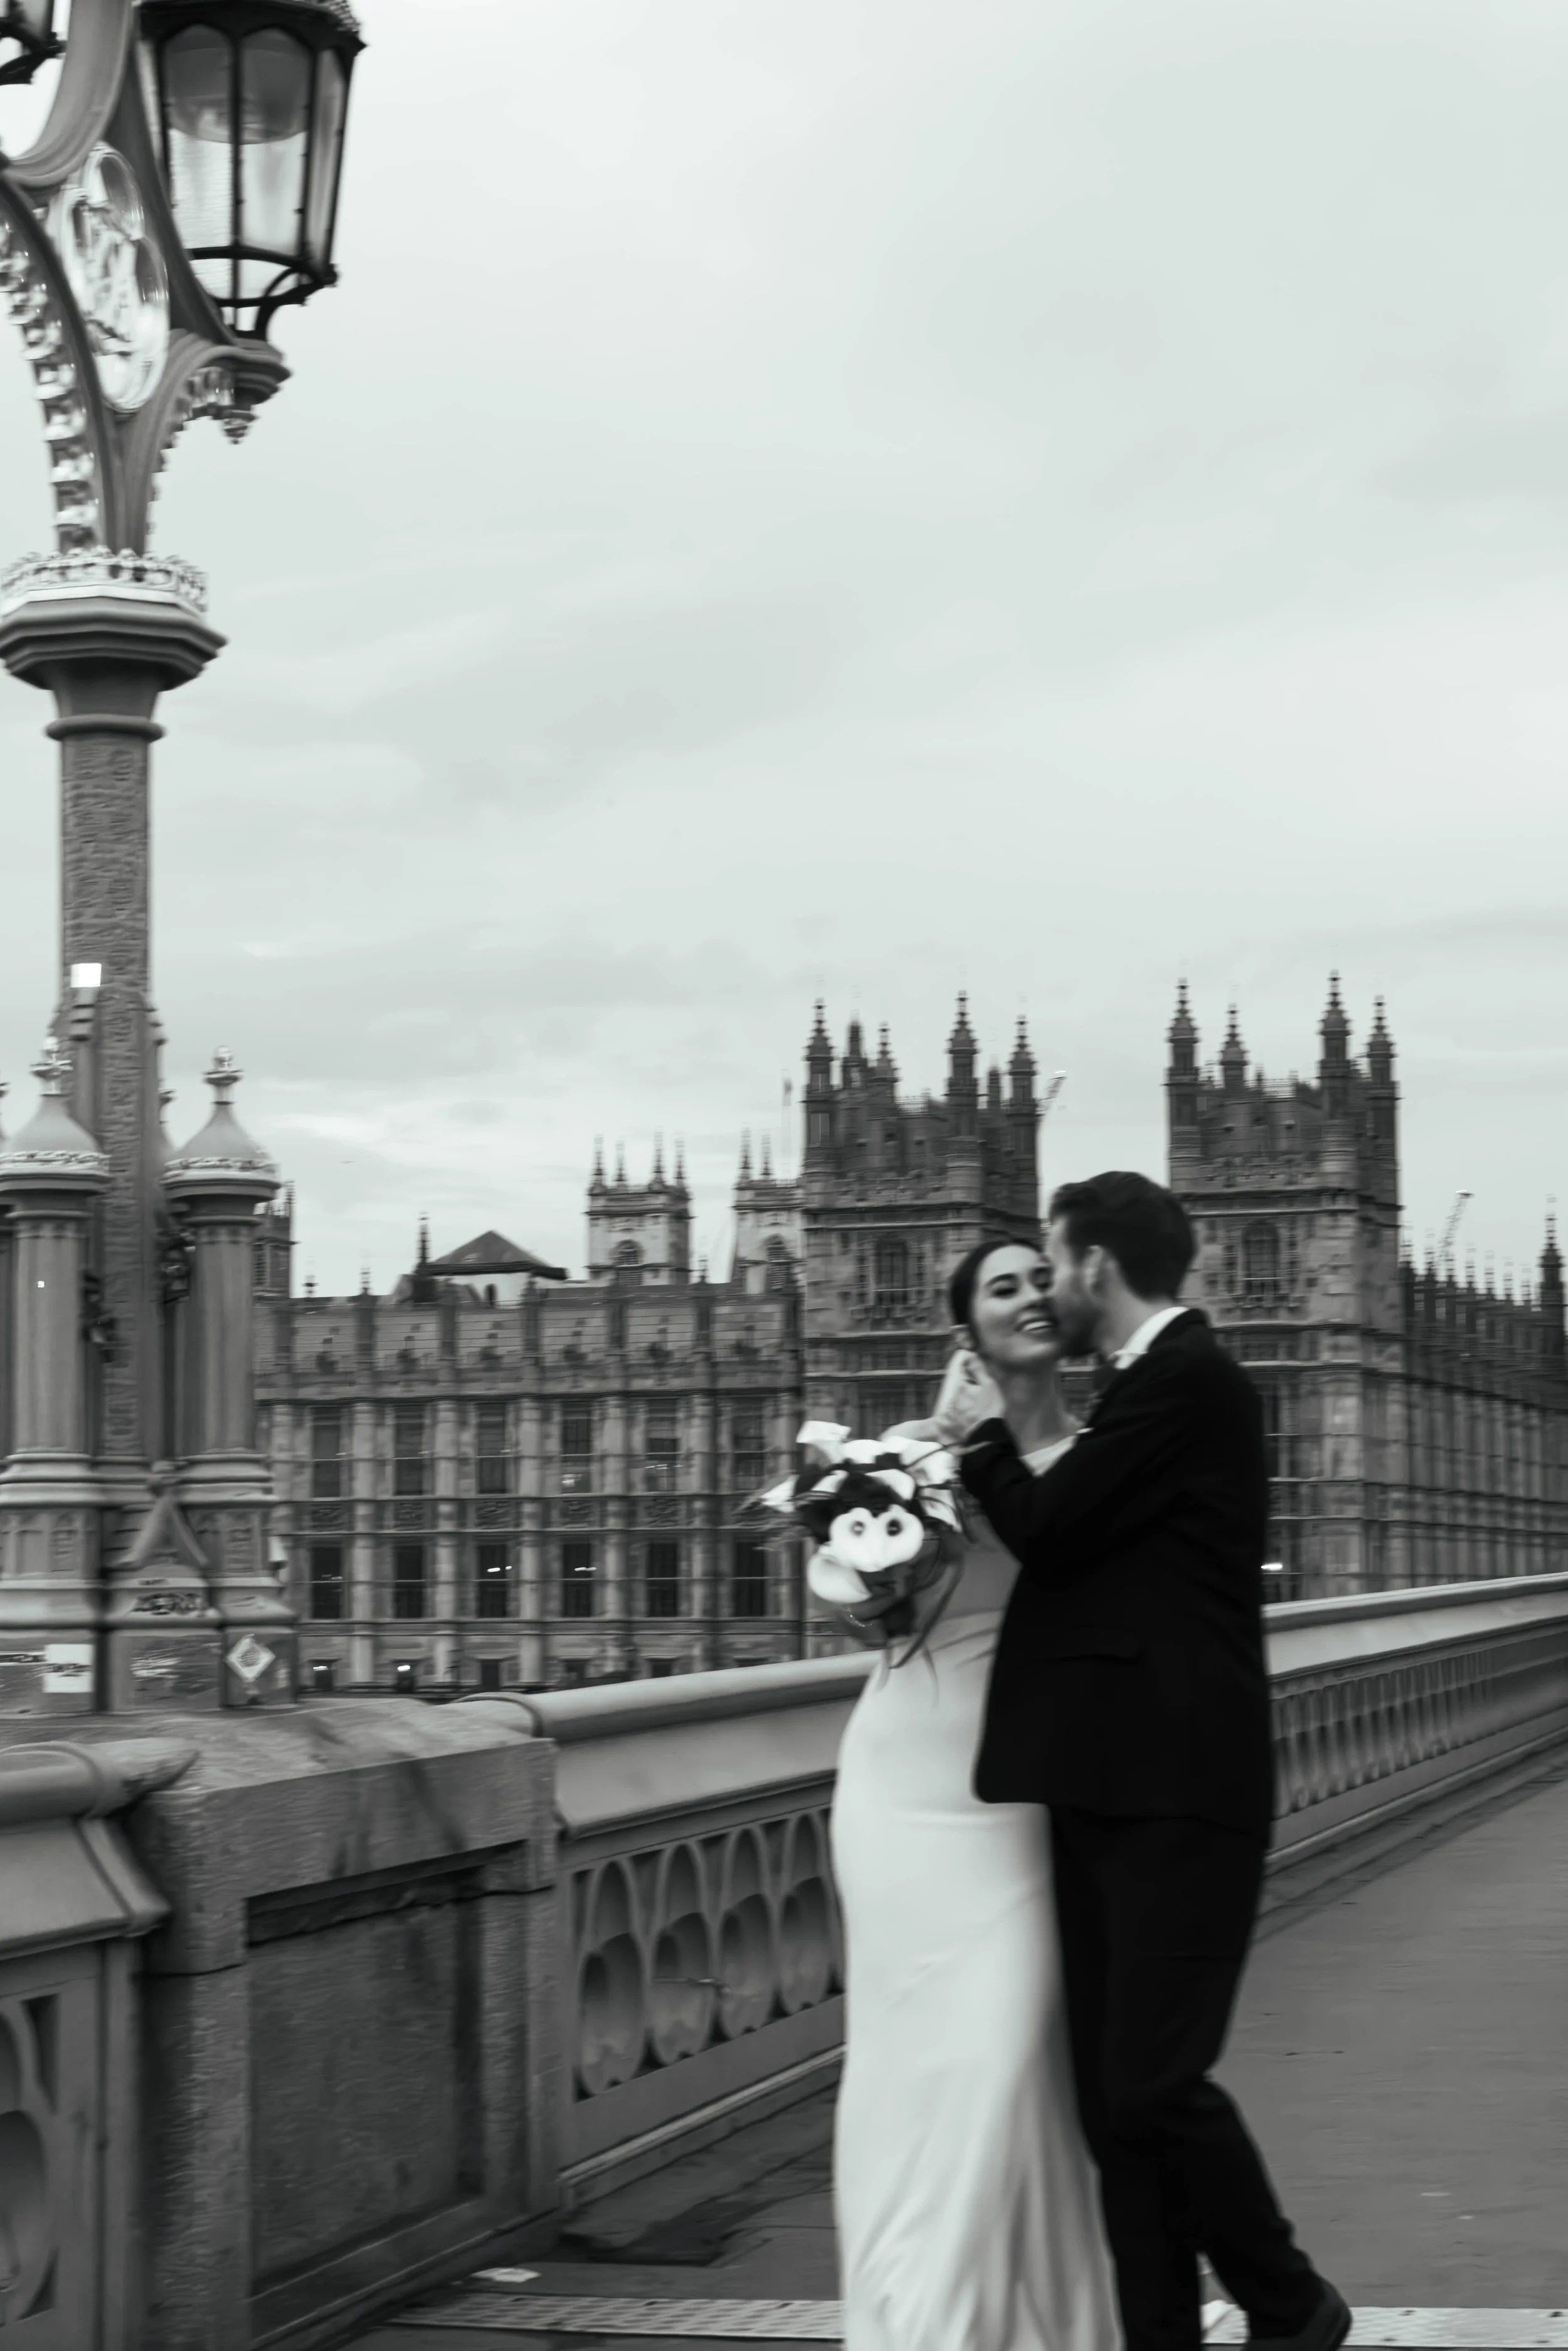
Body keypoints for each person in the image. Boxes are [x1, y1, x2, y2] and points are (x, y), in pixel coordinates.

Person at [933, 1172, 1349, 2351]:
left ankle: (1290, 2302)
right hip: (1106, 1780)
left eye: (1052, 1262)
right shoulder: (1147, 1388)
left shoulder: (1188, 1381)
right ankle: (1156, 2333)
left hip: (1181, 1787)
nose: (1046, 1288)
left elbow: (1053, 1529)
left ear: (1095, 1267)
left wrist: (976, 1433)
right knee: (1112, 2103)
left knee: (1156, 2082)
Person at [830, 1237, 1120, 2351]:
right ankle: (922, 2317)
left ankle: (1022, 2316)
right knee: (913, 2062)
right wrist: (915, 1489)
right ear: (968, 1331)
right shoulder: (911, 1452)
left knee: (1009, 2055)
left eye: (1042, 1279)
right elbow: (863, 1616)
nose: (1031, 1296)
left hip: (1024, 1793)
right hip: (905, 1782)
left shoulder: (1102, 1457)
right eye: (1004, 1287)